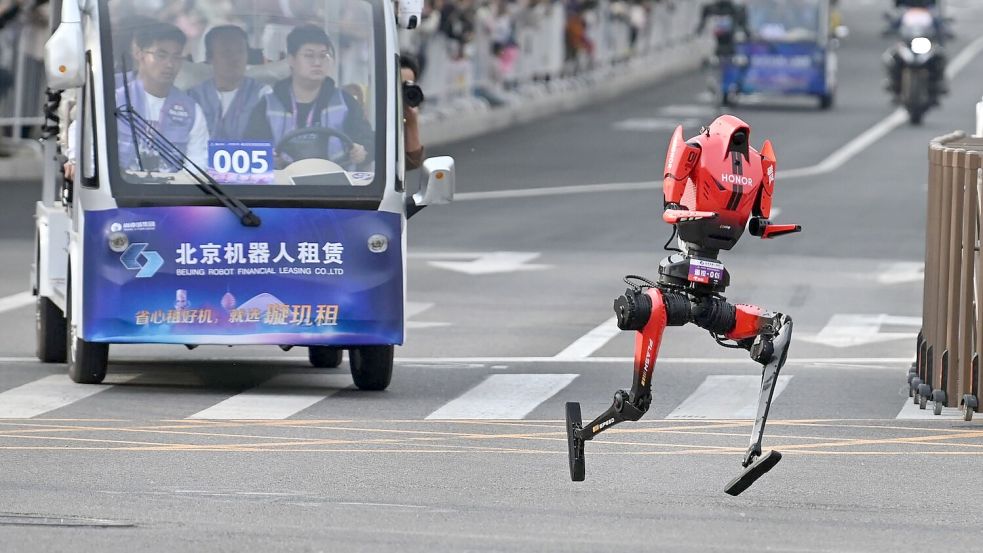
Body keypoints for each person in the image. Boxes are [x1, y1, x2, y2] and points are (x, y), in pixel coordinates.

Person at [246, 25, 373, 170]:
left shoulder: (345, 102)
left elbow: (367, 141)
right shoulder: (267, 105)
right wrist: (268, 161)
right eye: (309, 55)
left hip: (336, 187)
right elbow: (252, 150)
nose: (317, 62)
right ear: (291, 60)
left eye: (323, 55)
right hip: (281, 188)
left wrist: (362, 152)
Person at [116, 21, 209, 171]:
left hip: (170, 192)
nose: (170, 64)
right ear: (139, 53)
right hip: (122, 190)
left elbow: (198, 165)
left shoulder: (191, 111)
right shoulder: (114, 100)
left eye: (176, 57)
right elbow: (89, 148)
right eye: (161, 55)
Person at [189, 25, 270, 141]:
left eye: (240, 51)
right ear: (209, 58)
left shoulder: (264, 95)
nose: (235, 58)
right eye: (226, 52)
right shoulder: (193, 97)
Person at [400, 54, 425, 171]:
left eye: (408, 85)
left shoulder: (408, 114)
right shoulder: (371, 108)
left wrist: (411, 124)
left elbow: (412, 165)